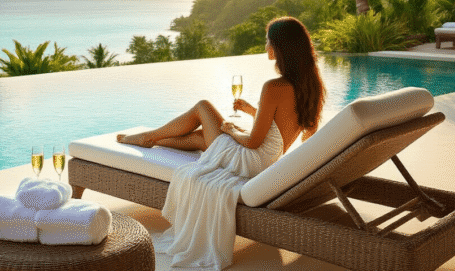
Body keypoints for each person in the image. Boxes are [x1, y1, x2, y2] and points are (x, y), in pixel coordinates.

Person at [116, 16, 326, 270]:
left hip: (249, 161)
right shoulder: (312, 85)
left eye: (268, 41)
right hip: (268, 161)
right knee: (199, 138)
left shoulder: (273, 86)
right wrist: (252, 111)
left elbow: (252, 142)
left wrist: (231, 131)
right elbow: (288, 129)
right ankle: (153, 139)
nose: (266, 47)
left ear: (280, 48)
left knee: (203, 107)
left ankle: (149, 136)